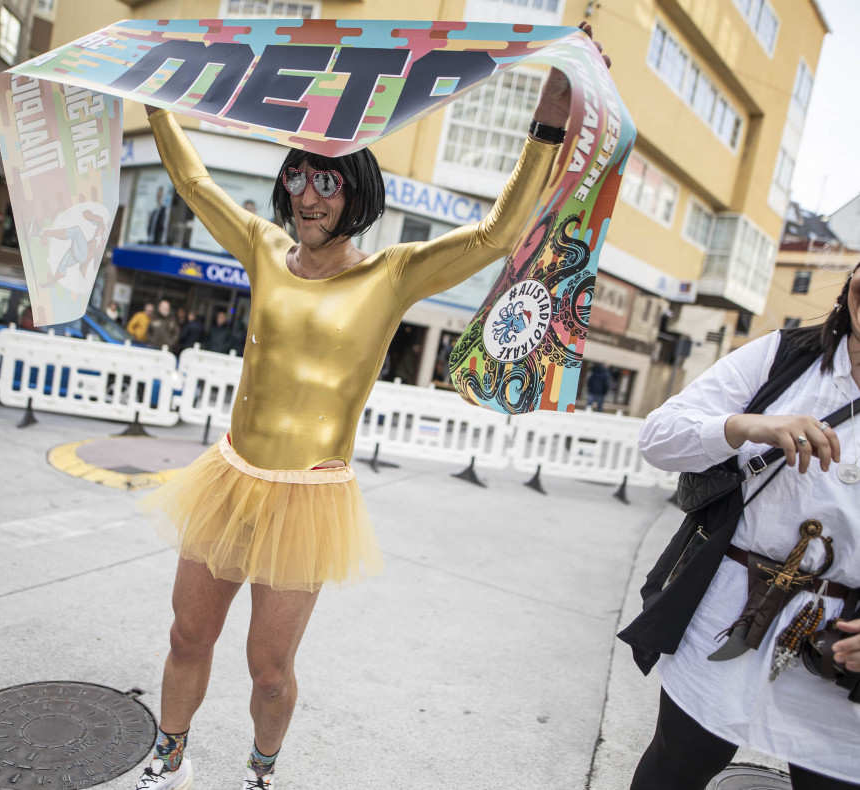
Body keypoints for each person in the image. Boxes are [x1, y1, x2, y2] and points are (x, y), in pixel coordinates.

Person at [133, 23, 609, 790]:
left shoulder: (391, 275)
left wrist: (547, 129)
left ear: (356, 191)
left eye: (328, 181)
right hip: (229, 478)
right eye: (298, 177)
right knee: (188, 634)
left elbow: (495, 236)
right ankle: (171, 754)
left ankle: (260, 772)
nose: (309, 196)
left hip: (307, 497)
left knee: (269, 672)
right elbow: (195, 185)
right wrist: (152, 99)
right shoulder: (260, 247)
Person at [626, 262, 860, 789]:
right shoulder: (785, 356)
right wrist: (745, 426)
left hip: (842, 644)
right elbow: (659, 437)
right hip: (733, 610)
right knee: (676, 765)